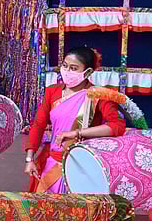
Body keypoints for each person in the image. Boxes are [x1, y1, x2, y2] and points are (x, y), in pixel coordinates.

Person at [24, 46, 126, 193]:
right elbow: (39, 125)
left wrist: (77, 133)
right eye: (65, 66)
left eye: (73, 68)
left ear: (88, 72)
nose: (67, 71)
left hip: (80, 166)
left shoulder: (98, 95)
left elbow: (117, 126)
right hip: (51, 162)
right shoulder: (52, 91)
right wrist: (30, 159)